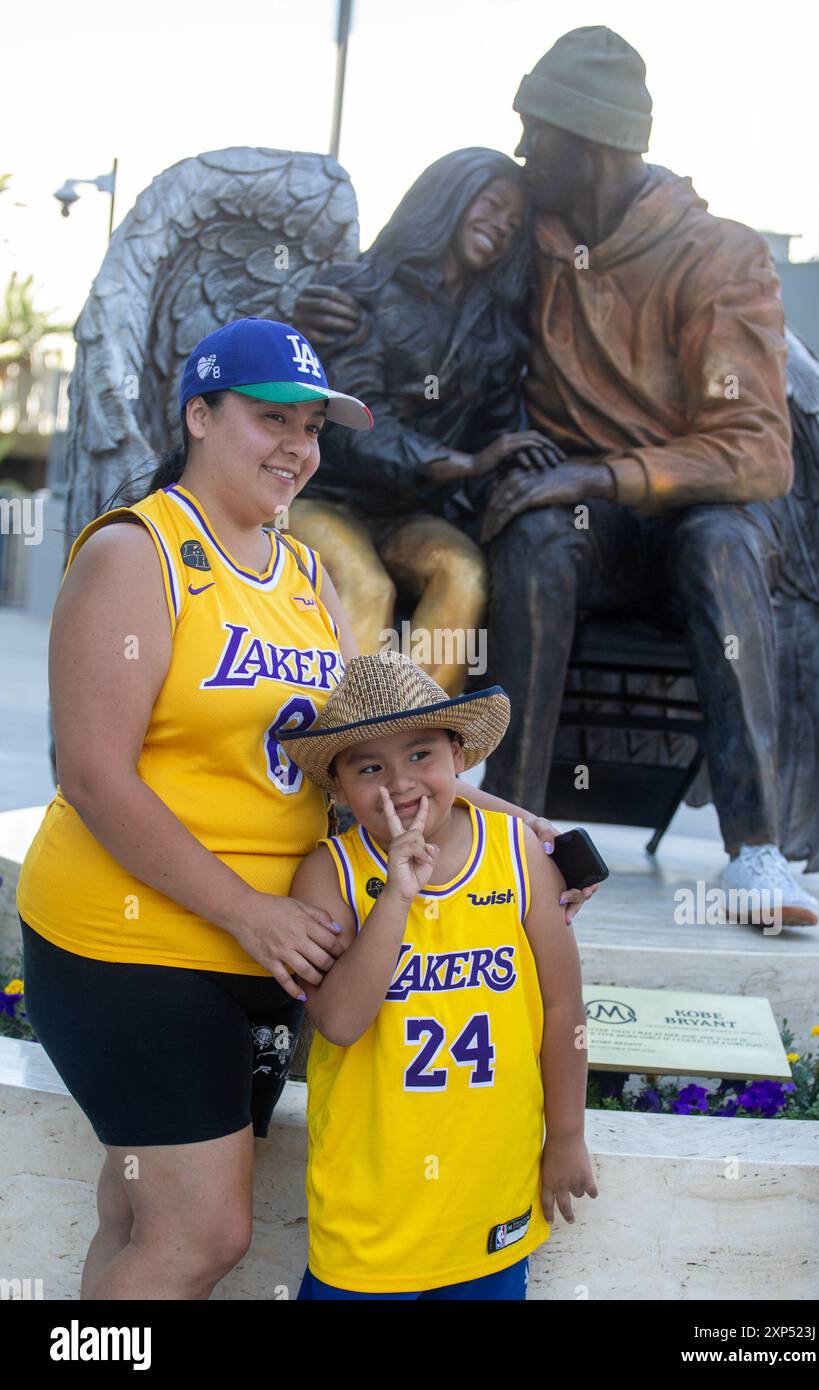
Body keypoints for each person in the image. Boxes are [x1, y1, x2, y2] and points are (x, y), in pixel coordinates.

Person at [16, 317, 583, 1300]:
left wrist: (495, 822)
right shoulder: (136, 555)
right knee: (201, 1236)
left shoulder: (305, 575)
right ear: (199, 414)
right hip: (137, 944)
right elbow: (94, 776)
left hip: (272, 949)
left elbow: (352, 752)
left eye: (313, 427)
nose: (297, 447)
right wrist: (249, 909)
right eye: (271, 418)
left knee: (135, 1206)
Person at [478, 27, 818, 925]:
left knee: (717, 545)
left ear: (584, 147)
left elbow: (756, 452)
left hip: (696, 520)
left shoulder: (719, 256)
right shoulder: (532, 240)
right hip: (589, 531)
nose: (520, 153)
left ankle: (757, 857)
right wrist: (344, 311)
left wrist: (595, 477)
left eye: (533, 132)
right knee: (536, 532)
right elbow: (426, 273)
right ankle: (511, 835)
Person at [281, 651, 599, 1300]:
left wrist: (567, 1135)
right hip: (369, 1206)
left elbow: (564, 1009)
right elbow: (339, 1023)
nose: (399, 783)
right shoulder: (329, 874)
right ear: (339, 788)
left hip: (490, 1193)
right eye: (370, 767)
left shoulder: (520, 858)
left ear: (459, 756)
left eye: (420, 755)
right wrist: (395, 897)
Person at [291, 147, 561, 694]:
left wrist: (520, 470)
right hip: (320, 498)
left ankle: (415, 741)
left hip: (409, 515)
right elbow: (354, 425)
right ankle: (345, 753)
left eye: (513, 224)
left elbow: (495, 435)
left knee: (462, 571)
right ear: (451, 199)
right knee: (365, 586)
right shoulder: (359, 290)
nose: (500, 228)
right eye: (490, 206)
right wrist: (459, 462)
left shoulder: (496, 335)